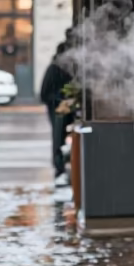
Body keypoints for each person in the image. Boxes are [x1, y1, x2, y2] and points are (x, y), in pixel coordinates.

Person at [40, 43, 73, 185]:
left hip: (67, 108)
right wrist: (60, 101)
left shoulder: (67, 69)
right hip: (57, 111)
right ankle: (59, 169)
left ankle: (63, 167)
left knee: (62, 139)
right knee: (58, 139)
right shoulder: (54, 69)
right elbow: (44, 94)